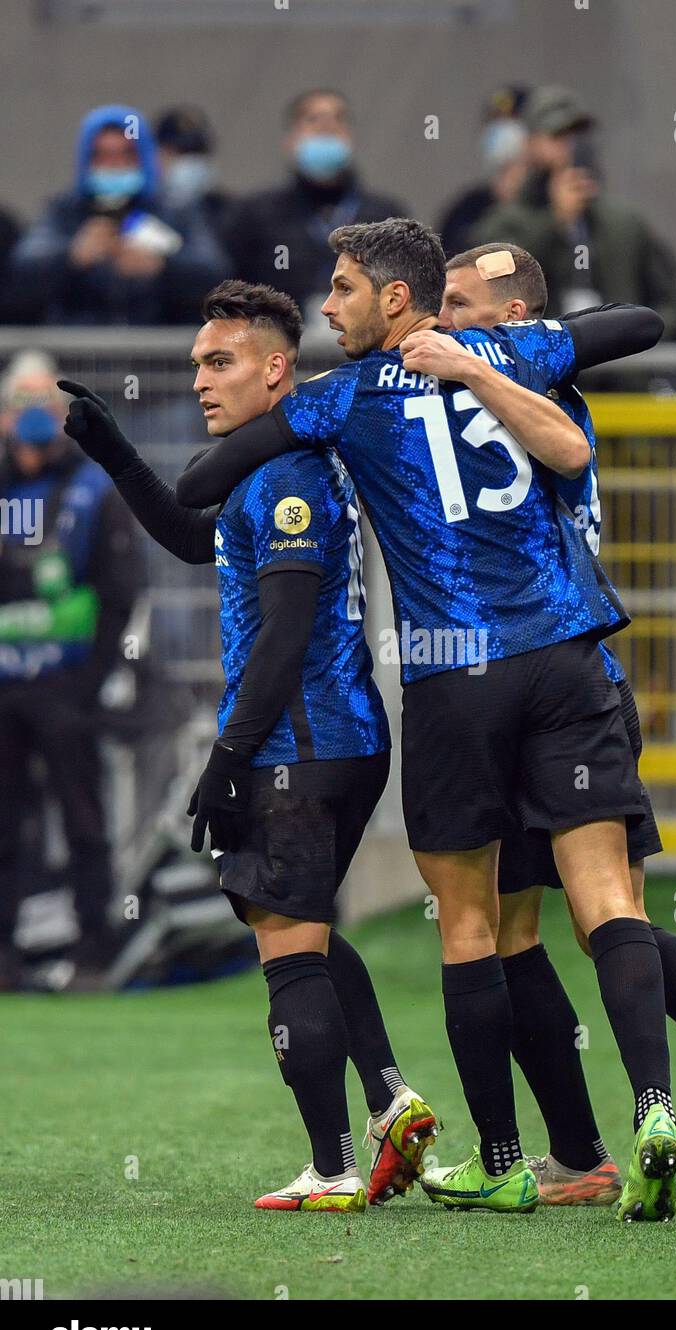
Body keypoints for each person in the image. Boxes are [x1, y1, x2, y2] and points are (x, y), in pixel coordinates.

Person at [176, 218, 676, 1221]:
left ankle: (498, 1158)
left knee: (468, 922)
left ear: (394, 300)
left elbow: (202, 481)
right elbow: (640, 321)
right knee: (607, 905)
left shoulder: (340, 398)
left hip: (455, 678)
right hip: (568, 658)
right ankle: (653, 1109)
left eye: (343, 288)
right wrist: (477, 359)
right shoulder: (503, 348)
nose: (328, 304)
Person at [439, 243, 676, 1214]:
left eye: (458, 301)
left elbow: (638, 323)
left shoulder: (523, 387)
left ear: (518, 319)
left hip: (561, 676)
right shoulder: (468, 397)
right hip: (549, 683)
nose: (440, 319)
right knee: (596, 914)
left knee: (568, 915)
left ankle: (609, 1138)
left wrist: (488, 355)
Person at [58, 280, 437, 1213]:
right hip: (335, 743)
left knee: (289, 957)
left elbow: (283, 634)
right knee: (296, 928)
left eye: (219, 362)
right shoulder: (272, 467)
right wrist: (112, 449)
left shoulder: (290, 475)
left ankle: (332, 1165)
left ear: (277, 369)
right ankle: (390, 1102)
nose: (200, 379)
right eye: (195, 363)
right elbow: (195, 539)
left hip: (295, 749)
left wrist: (228, 758)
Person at [0, 355, 140, 990]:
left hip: (68, 687)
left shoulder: (95, 490)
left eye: (44, 404)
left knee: (84, 820)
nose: (32, 415)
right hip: (3, 690)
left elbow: (120, 591)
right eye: (22, 402)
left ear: (62, 417)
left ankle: (95, 951)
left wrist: (87, 686)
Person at [471, 85, 676, 330]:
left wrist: (638, 339)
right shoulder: (504, 223)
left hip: (616, 363)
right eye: (558, 137)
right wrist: (556, 223)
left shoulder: (625, 222)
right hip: (543, 363)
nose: (570, 147)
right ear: (530, 144)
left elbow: (673, 300)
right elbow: (492, 294)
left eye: (579, 136)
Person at [10, 105, 229, 325]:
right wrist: (72, 257)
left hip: (157, 349)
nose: (114, 165)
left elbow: (214, 272)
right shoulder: (65, 211)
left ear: (143, 157)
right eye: (102, 156)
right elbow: (23, 270)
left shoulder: (175, 209)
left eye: (126, 155)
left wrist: (162, 266)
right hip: (80, 349)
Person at [223, 89, 406, 322]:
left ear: (350, 137)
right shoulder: (255, 215)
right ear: (290, 140)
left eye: (338, 119)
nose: (327, 127)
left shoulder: (386, 215)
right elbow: (233, 292)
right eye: (313, 120)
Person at [438, 86, 529, 260]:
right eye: (495, 124)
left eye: (512, 123)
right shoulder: (468, 209)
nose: (502, 134)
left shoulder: (560, 203)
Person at [154, 105, 235, 239]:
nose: (190, 162)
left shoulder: (230, 213)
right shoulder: (145, 209)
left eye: (197, 154)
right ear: (157, 154)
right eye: (179, 153)